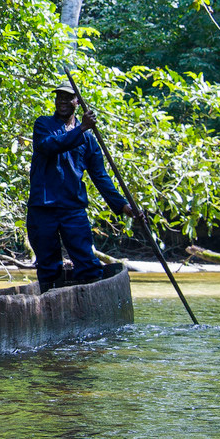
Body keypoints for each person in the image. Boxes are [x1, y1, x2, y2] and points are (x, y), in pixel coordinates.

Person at [27, 82, 137, 290]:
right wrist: (82, 128)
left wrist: (123, 206)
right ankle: (50, 304)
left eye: (68, 97)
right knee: (48, 265)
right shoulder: (43, 125)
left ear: (77, 101)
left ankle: (91, 306)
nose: (62, 101)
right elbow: (49, 146)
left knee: (87, 262)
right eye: (59, 96)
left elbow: (100, 177)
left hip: (72, 208)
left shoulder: (88, 140)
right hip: (43, 206)